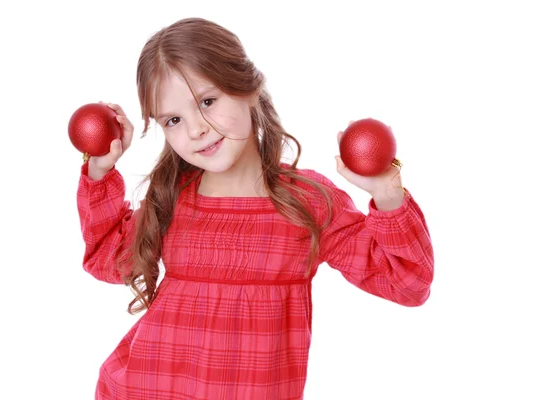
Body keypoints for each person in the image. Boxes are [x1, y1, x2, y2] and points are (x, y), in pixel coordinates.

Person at [76, 17, 434, 400]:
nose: (196, 129)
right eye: (174, 120)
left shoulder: (307, 202)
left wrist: (388, 195)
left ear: (248, 88)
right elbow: (105, 257)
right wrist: (100, 169)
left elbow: (408, 284)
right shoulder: (173, 197)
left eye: (208, 102)